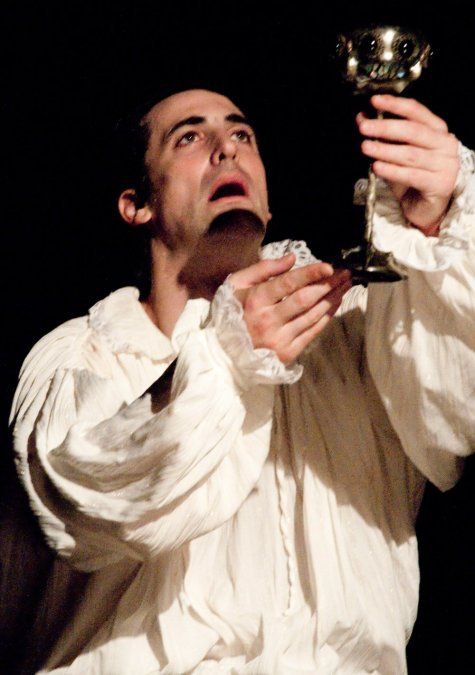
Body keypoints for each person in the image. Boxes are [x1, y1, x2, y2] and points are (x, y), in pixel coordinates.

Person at [9, 88, 475, 674]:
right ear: (137, 204)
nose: (226, 149)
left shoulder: (356, 337)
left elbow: (453, 420)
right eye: (189, 136)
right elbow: (83, 504)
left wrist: (438, 225)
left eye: (242, 135)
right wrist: (229, 360)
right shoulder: (81, 353)